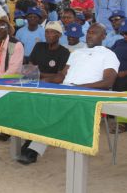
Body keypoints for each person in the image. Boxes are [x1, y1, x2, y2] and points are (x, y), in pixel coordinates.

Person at [18, 23, 120, 165]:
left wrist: (79, 87)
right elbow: (61, 77)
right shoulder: (77, 53)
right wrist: (42, 81)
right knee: (35, 102)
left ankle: (32, 148)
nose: (90, 35)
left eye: (94, 32)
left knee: (55, 109)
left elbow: (108, 82)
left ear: (104, 36)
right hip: (66, 90)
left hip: (87, 94)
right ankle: (31, 141)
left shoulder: (109, 54)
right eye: (89, 32)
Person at [111, 23, 127, 92]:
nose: (124, 36)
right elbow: (110, 55)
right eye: (123, 33)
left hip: (123, 77)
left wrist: (125, 73)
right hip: (113, 75)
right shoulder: (119, 42)